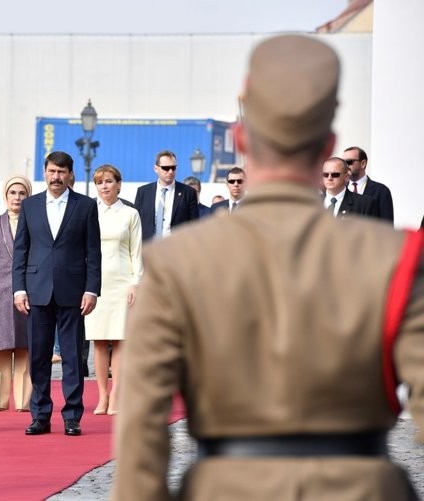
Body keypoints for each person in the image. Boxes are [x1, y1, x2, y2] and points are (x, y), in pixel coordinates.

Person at [112, 34, 424, 500]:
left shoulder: (177, 262)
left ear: (241, 138)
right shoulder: (394, 259)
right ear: (329, 146)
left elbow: (140, 429)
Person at [13, 151, 101, 437]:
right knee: (38, 357)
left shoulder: (86, 206)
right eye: (51, 171)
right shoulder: (30, 206)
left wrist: (91, 290)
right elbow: (21, 251)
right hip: (36, 291)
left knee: (73, 357)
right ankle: (40, 415)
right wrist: (19, 288)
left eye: (61, 172)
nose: (56, 177)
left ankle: (72, 416)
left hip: (73, 292)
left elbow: (93, 252)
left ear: (70, 174)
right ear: (45, 172)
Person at [85, 165, 142, 416]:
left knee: (120, 339)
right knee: (98, 340)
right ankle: (102, 396)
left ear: (119, 184)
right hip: (95, 283)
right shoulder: (88, 212)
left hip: (121, 281)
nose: (104, 186)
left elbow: (136, 251)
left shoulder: (130, 214)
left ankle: (117, 394)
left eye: (109, 181)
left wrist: (136, 282)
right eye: (100, 182)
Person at [0, 175, 33, 412]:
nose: (17, 197)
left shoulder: (36, 223)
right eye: (13, 192)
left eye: (22, 193)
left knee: (25, 348)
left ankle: (24, 401)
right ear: (5, 195)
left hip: (28, 292)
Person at [134, 150, 199, 241]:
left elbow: (194, 225)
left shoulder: (188, 193)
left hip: (177, 248)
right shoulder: (143, 192)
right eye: (166, 168)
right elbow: (135, 224)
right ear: (156, 168)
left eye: (173, 167)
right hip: (148, 249)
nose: (170, 171)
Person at [342, 146, 395, 223]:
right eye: (343, 163)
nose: (346, 166)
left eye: (349, 162)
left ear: (363, 163)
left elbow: (387, 225)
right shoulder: (340, 189)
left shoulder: (381, 191)